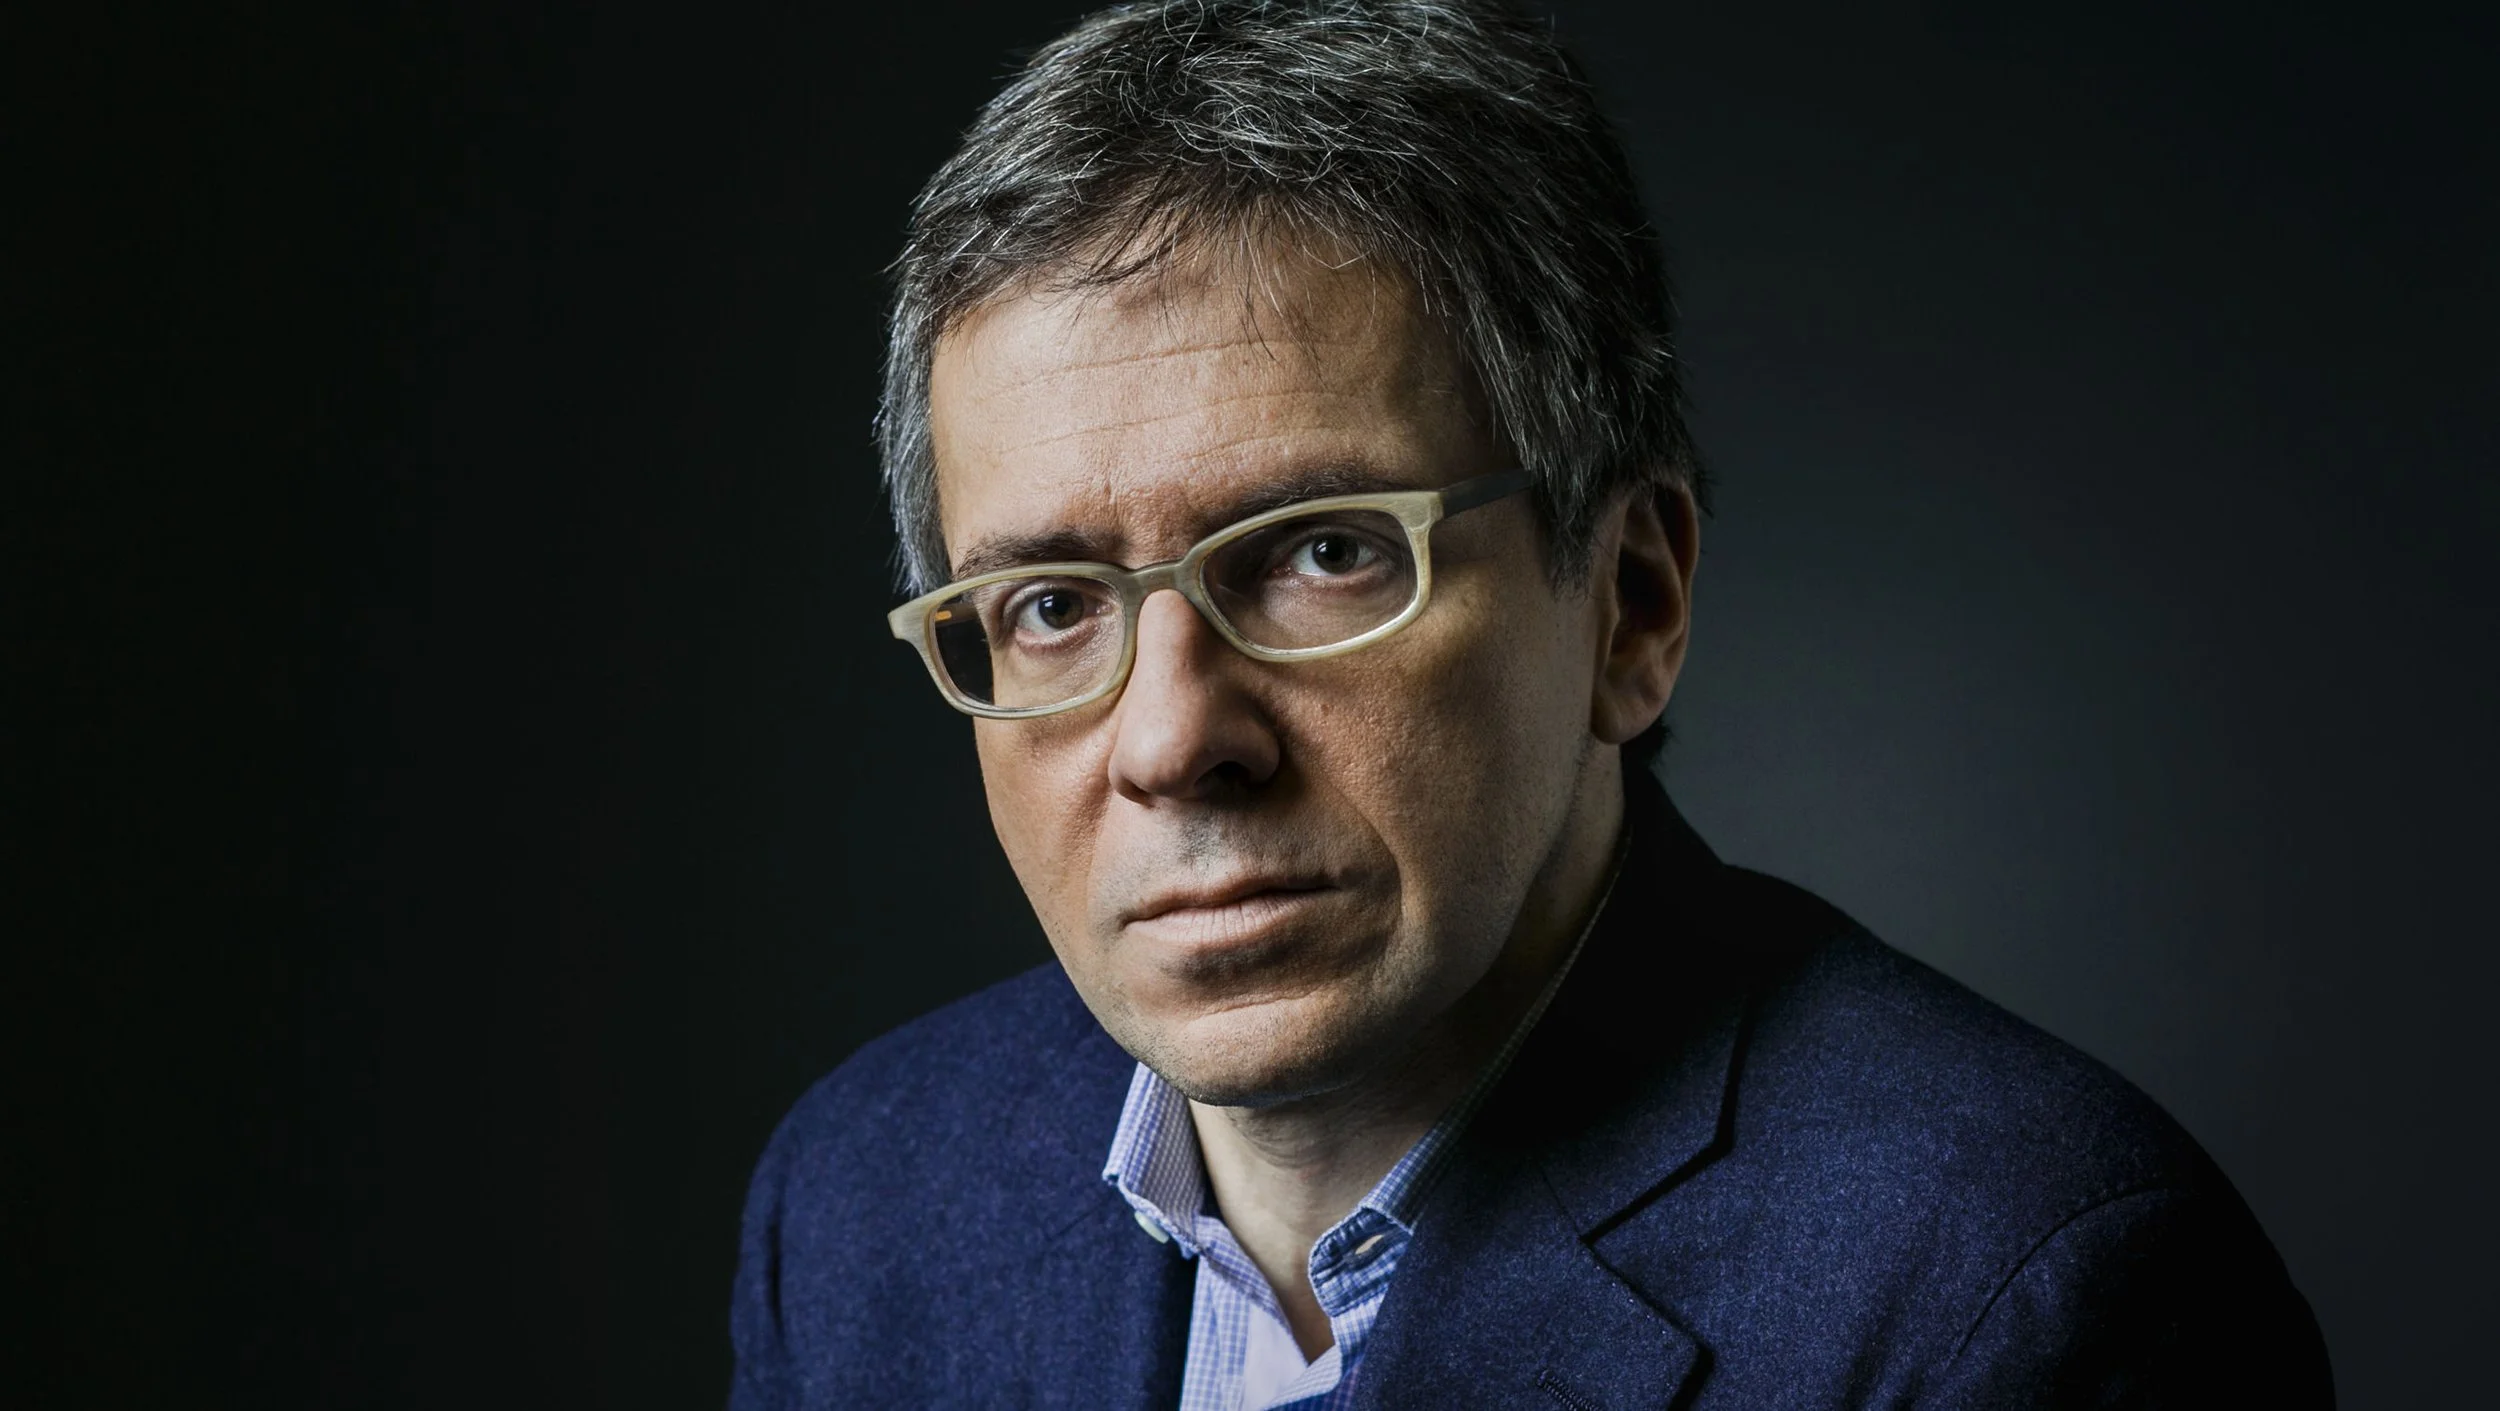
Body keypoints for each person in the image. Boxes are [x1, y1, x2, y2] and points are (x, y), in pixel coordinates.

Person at [728, 2, 2332, 1405]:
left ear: (1633, 601)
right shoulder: (865, 1199)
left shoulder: (2025, 1295)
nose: (1170, 742)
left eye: (1324, 555)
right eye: (1054, 606)